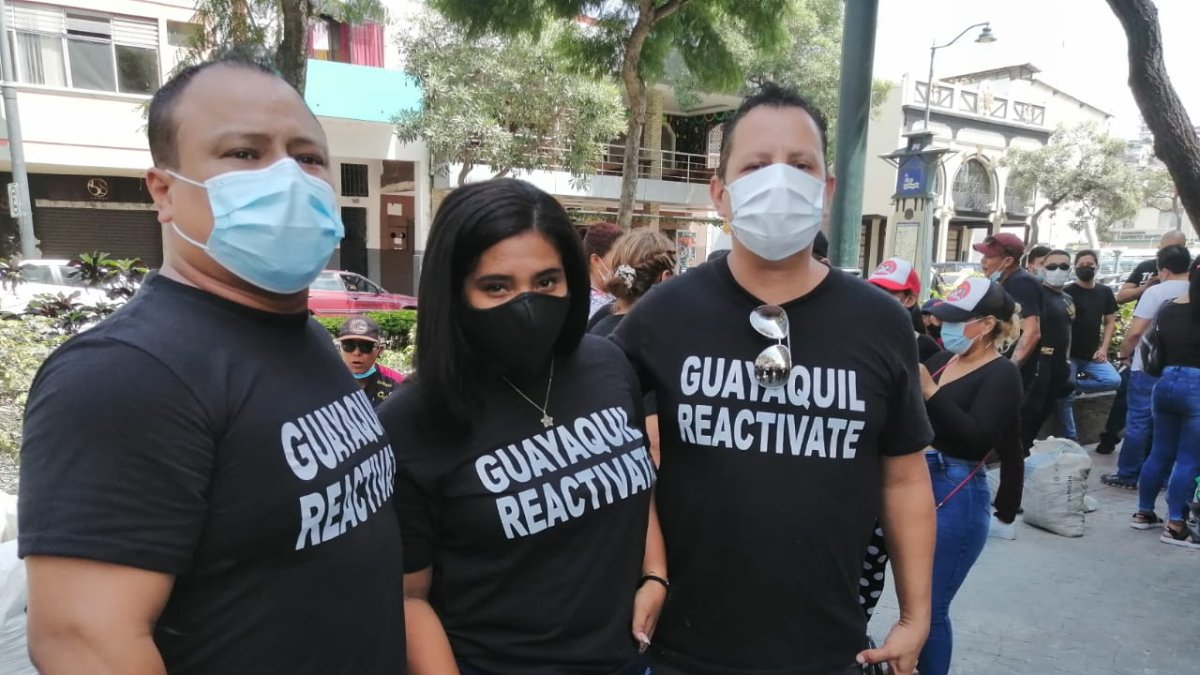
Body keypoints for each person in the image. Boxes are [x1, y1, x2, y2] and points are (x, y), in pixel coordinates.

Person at [18, 59, 405, 674]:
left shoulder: (299, 336)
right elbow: (85, 643)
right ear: (164, 191)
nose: (288, 176)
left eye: (307, 156)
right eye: (245, 154)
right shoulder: (124, 375)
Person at [612, 83, 935, 675]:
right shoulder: (661, 317)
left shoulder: (882, 322)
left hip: (829, 648)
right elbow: (606, 457)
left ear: (827, 189)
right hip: (682, 648)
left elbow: (905, 479)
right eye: (756, 166)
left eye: (801, 164)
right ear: (720, 192)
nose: (779, 180)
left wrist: (917, 615)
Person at [377, 179, 664, 674]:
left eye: (546, 282)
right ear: (454, 292)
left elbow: (635, 475)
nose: (527, 304)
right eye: (496, 287)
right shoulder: (413, 420)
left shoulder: (607, 365)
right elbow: (408, 597)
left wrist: (655, 574)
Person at [918, 278, 1025, 675]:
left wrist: (931, 393)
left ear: (986, 325)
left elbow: (976, 439)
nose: (942, 327)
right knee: (913, 604)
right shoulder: (942, 361)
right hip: (917, 483)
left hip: (956, 492)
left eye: (956, 321)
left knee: (930, 608)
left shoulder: (1001, 375)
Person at [1102, 244, 1193, 490]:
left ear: (1162, 269)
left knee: (1139, 422)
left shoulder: (1156, 292)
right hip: (1184, 371)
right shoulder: (1194, 291)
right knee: (1170, 427)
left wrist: (1123, 356)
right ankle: (1163, 478)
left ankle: (1129, 474)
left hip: (1147, 367)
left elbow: (1135, 333)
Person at [1135, 254, 1200, 546]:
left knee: (1160, 451)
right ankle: (1175, 525)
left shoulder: (1168, 309)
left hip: (1165, 383)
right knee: (1188, 458)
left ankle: (1143, 513)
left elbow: (1152, 346)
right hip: (1196, 387)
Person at [1056, 250, 1121, 440]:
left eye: (1090, 265)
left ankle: (1074, 386)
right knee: (1065, 400)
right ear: (1075, 267)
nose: (1086, 268)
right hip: (1069, 355)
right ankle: (1072, 439)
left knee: (1113, 380)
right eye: (1082, 265)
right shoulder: (1066, 292)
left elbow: (1110, 322)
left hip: (1092, 355)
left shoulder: (1105, 292)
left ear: (1097, 267)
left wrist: (1103, 348)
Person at [1019, 249, 1075, 451]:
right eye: (1052, 266)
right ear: (1042, 268)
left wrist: (1067, 360)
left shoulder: (1068, 298)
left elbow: (1067, 331)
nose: (1058, 270)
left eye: (1064, 266)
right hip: (1039, 362)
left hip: (1059, 364)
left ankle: (1026, 451)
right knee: (1030, 412)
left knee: (1044, 411)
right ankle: (1020, 453)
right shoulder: (1036, 296)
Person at [975, 233, 1042, 394]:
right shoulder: (1003, 282)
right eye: (983, 255)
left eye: (989, 256)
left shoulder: (1021, 283)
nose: (983, 261)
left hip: (1010, 378)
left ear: (1008, 261)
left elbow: (1032, 332)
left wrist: (1008, 371)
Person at [867, 257, 942, 363]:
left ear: (910, 299)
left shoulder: (925, 348)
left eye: (887, 292)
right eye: (873, 289)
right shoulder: (857, 339)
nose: (877, 297)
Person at [336, 315, 405, 407]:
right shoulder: (325, 381)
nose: (357, 353)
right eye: (349, 345)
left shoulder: (398, 384)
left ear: (380, 350)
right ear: (339, 348)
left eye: (366, 346)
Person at [1116, 230, 1188, 305]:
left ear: (1184, 250)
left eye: (1175, 250)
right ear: (1159, 248)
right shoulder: (1145, 266)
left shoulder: (1193, 268)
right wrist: (1144, 288)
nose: (1169, 255)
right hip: (1144, 315)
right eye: (1165, 250)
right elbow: (1121, 297)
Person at [584, 221, 624, 318]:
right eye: (618, 259)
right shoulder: (586, 304)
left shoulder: (619, 296)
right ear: (596, 260)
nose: (624, 264)